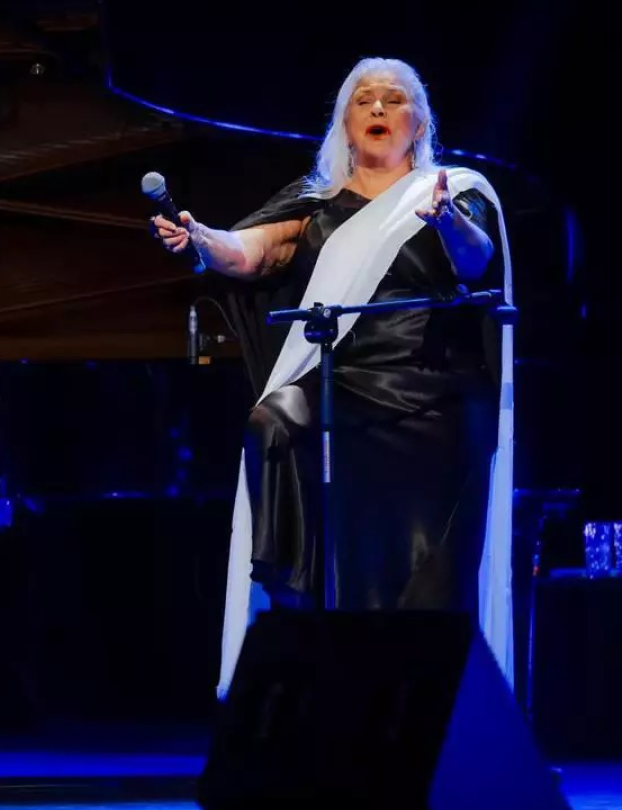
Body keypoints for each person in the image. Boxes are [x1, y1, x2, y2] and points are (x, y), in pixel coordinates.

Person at [150, 57, 515, 697]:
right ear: (346, 125)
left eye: (394, 99)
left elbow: (476, 262)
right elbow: (249, 252)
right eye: (364, 100)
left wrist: (447, 221)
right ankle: (292, 595)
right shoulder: (315, 204)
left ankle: (425, 694)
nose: (378, 109)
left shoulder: (457, 190)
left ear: (419, 121)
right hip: (340, 383)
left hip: (434, 395)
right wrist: (202, 238)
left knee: (422, 573)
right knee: (272, 419)